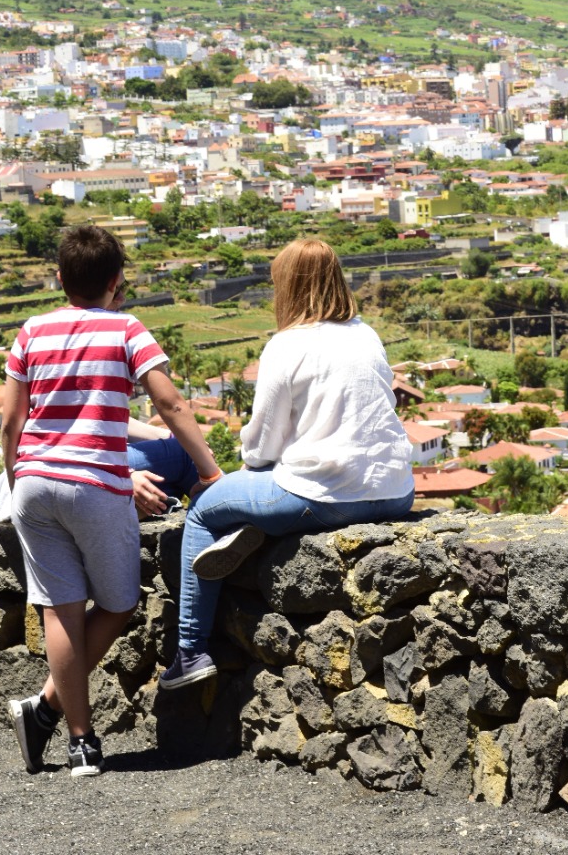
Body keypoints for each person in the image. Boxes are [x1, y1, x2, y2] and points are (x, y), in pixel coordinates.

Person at [1, 223, 221, 774]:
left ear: (59, 278)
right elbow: (170, 404)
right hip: (97, 485)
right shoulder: (127, 330)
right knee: (119, 604)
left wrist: (17, 475)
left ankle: (79, 741)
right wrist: (210, 470)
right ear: (117, 280)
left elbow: (11, 420)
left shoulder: (30, 331)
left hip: (32, 483)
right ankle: (49, 713)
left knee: (60, 608)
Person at [160, 237, 415, 689]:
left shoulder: (287, 345)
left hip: (326, 495)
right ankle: (259, 527)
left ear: (287, 287)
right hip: (395, 492)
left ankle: (190, 652)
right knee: (272, 491)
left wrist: (251, 463)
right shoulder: (366, 334)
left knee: (202, 514)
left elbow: (260, 447)